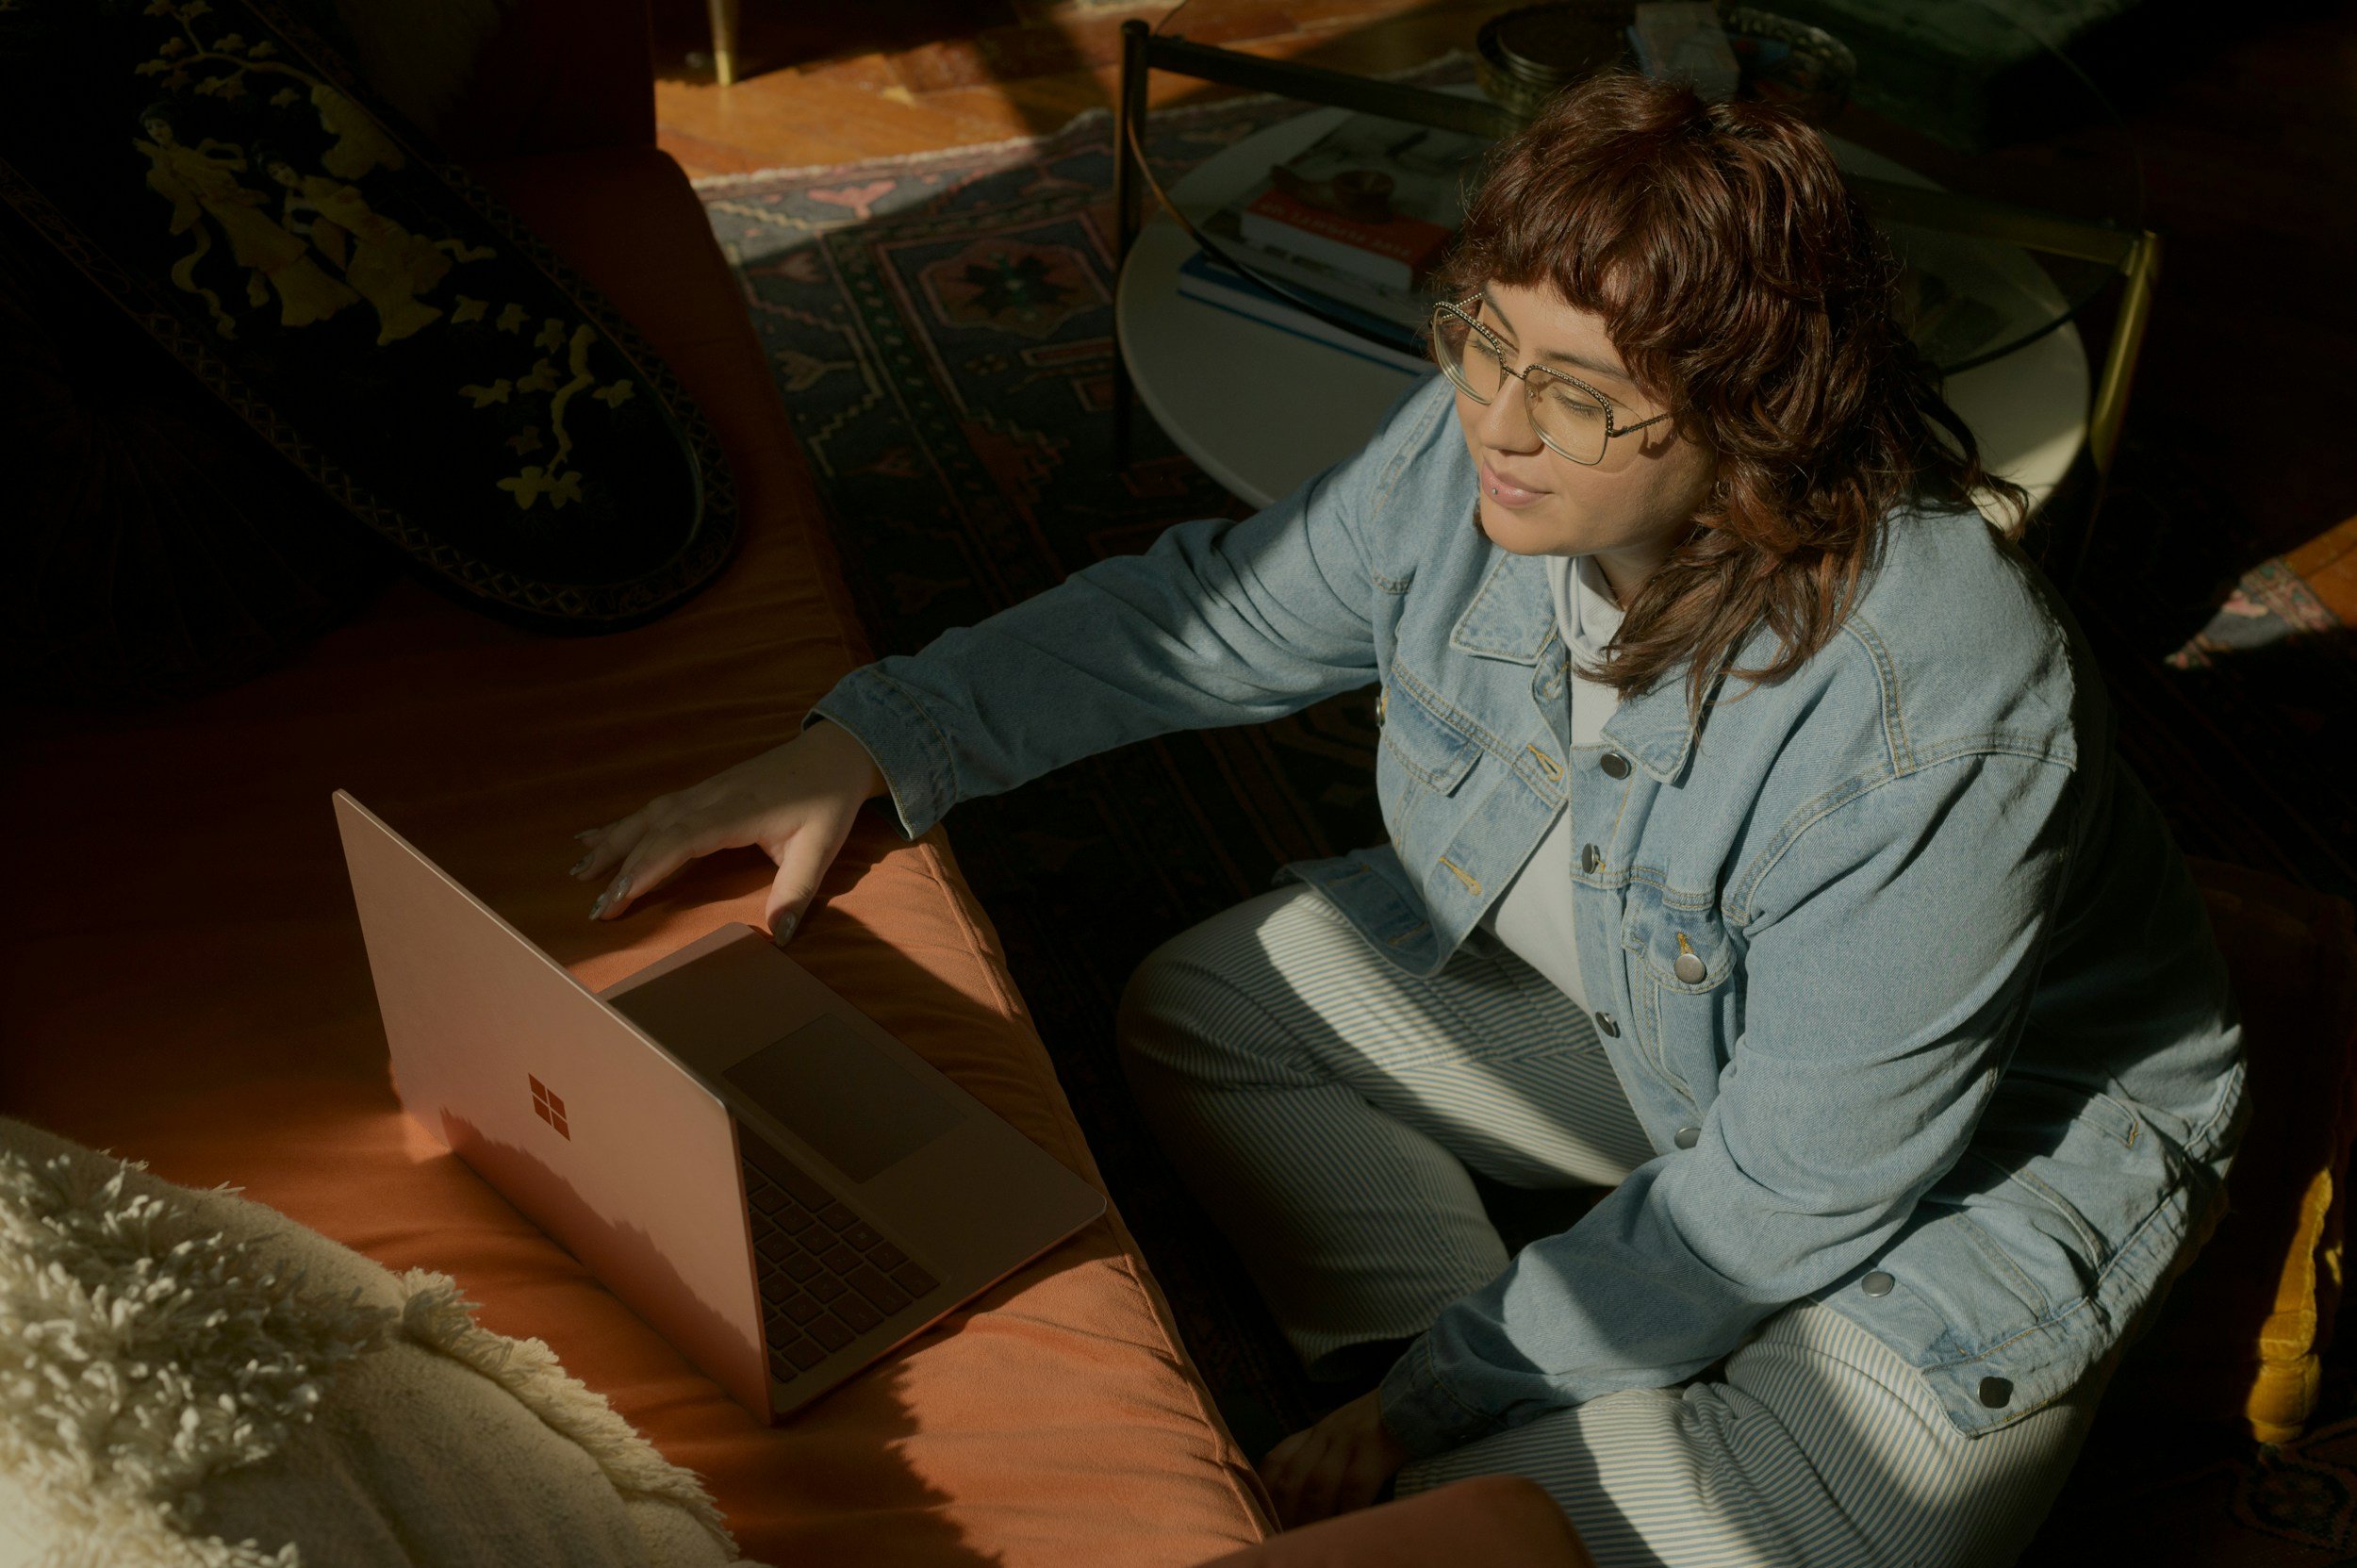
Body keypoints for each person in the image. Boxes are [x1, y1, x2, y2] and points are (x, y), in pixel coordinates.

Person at [569, 74, 2244, 1567]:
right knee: (1211, 1012)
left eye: (1582, 394)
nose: (1498, 424)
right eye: (1485, 336)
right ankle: (1452, 1415)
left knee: (1723, 1515)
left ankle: (1475, 1422)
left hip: (1974, 1194)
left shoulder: (1935, 702)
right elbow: (1210, 621)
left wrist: (1462, 1388)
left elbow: (1798, 1196)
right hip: (1681, 1060)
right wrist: (871, 739)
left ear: (1759, 417)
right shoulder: (1486, 453)